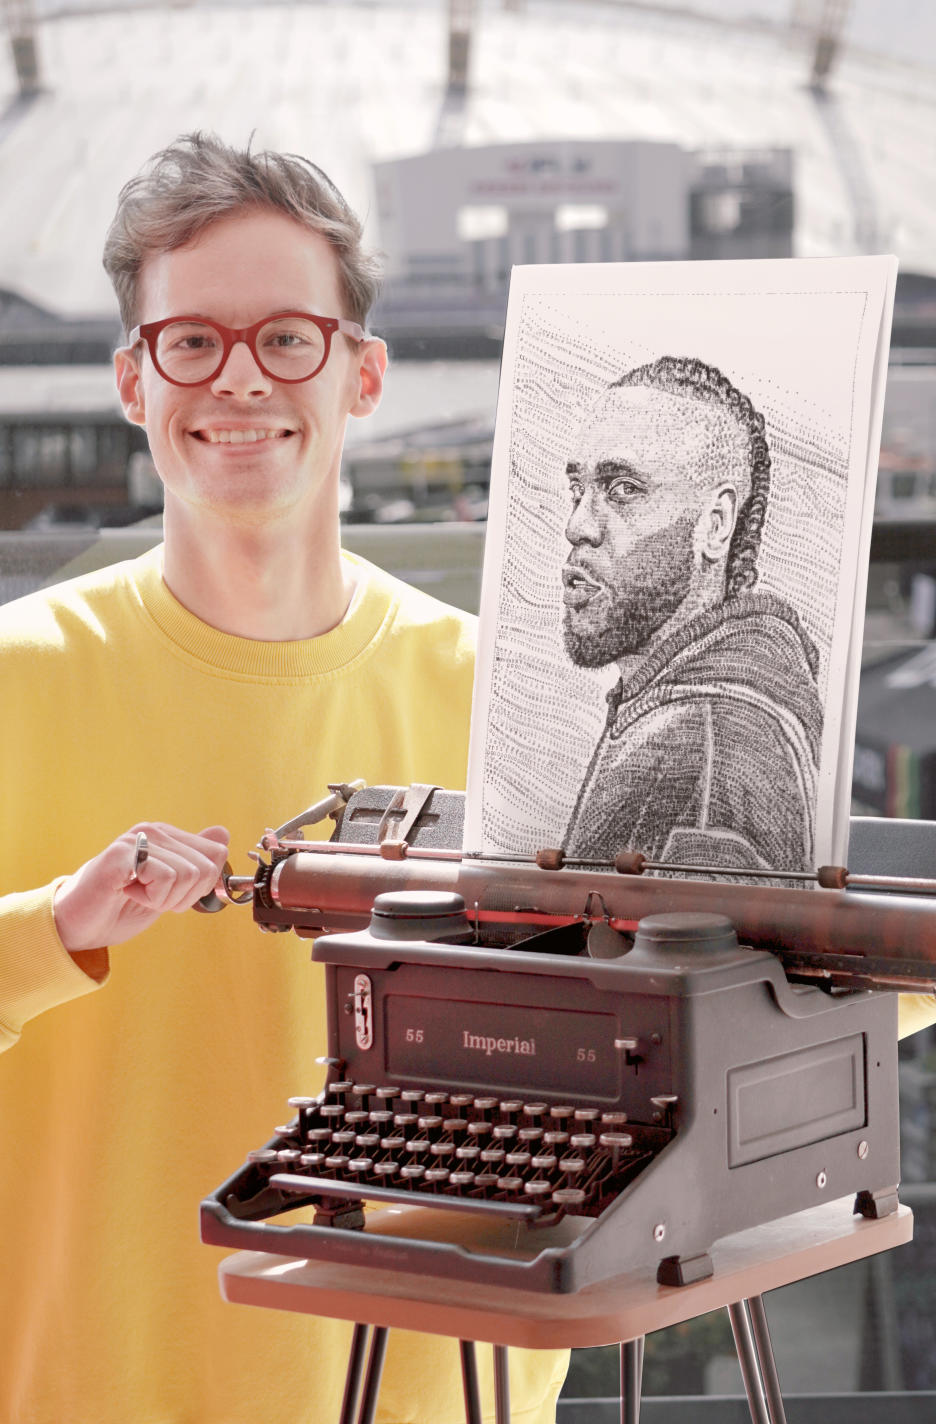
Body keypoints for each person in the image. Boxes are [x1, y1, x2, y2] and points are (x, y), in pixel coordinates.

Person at [0, 134, 567, 1424]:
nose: (238, 377)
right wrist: (54, 931)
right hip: (89, 1388)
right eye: (190, 341)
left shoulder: (511, 699)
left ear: (361, 373)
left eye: (286, 339)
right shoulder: (14, 676)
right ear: (133, 382)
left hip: (435, 1396)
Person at [561, 354, 823, 874]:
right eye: (578, 489)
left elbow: (702, 952)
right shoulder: (695, 711)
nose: (578, 525)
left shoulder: (704, 739)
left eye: (623, 490)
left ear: (715, 524)